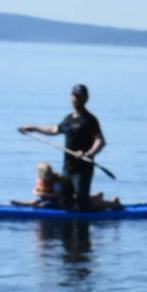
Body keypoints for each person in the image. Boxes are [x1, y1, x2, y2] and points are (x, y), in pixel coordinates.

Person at [17, 84, 104, 212]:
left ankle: (109, 205)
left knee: (82, 206)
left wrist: (89, 153)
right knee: (65, 203)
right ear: (71, 97)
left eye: (79, 96)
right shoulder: (68, 119)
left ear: (86, 98)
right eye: (74, 96)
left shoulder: (90, 120)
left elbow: (100, 141)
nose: (76, 99)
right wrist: (33, 128)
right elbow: (54, 130)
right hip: (67, 168)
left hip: (82, 170)